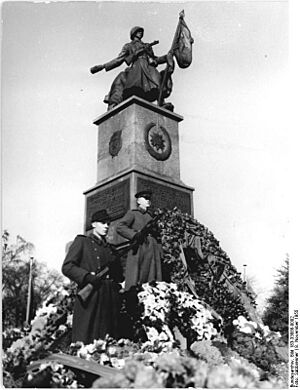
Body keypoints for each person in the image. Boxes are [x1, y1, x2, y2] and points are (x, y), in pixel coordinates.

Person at [62, 209, 124, 344]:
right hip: (91, 297)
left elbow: (119, 277)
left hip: (109, 299)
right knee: (87, 338)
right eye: (103, 223)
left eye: (108, 223)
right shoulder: (82, 242)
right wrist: (86, 277)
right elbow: (67, 267)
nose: (107, 226)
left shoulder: (111, 249)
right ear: (94, 224)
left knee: (108, 339)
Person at [90, 26, 174, 110]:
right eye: (138, 31)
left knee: (157, 81)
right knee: (124, 79)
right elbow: (119, 59)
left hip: (148, 67)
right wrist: (103, 66)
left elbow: (155, 59)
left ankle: (161, 101)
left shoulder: (147, 46)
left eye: (141, 31)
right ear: (133, 33)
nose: (140, 33)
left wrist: (166, 57)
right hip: (137, 66)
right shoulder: (128, 46)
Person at [116, 190, 162, 291]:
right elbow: (120, 227)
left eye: (149, 199)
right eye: (145, 199)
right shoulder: (133, 214)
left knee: (152, 274)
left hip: (152, 249)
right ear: (138, 201)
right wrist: (134, 235)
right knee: (136, 275)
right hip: (140, 247)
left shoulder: (150, 217)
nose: (148, 201)